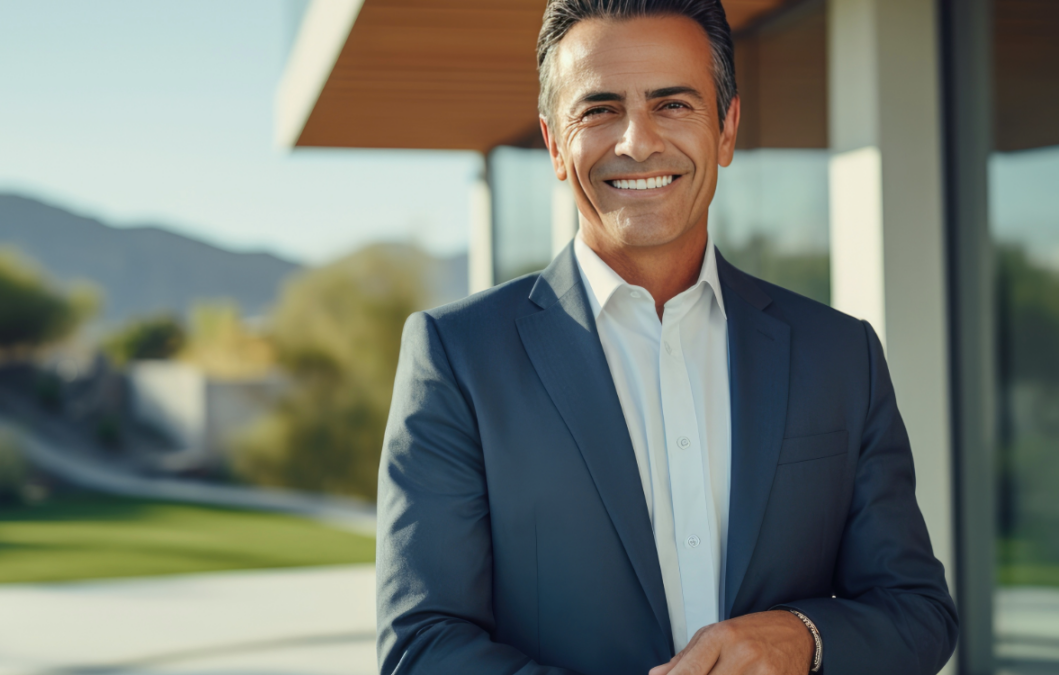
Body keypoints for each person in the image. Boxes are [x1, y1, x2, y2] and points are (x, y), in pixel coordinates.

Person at [376, 1, 958, 673]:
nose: (637, 141)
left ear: (728, 128)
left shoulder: (839, 356)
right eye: (598, 110)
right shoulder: (458, 359)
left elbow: (917, 611)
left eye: (673, 104)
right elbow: (422, 643)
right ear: (554, 145)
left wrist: (801, 636)